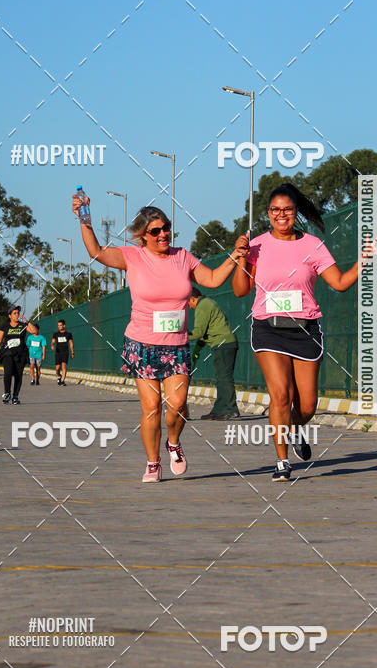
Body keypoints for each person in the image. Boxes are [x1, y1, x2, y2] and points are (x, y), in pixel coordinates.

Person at [72, 195, 247, 482]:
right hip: (141, 344)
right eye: (155, 231)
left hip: (176, 346)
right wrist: (84, 219)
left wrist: (235, 256)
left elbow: (213, 279)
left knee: (177, 405)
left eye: (166, 227)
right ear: (142, 236)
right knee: (151, 408)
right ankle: (153, 463)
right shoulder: (133, 257)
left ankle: (174, 443)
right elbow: (96, 252)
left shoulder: (183, 257)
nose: (163, 234)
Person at [232, 182, 377, 482]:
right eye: (275, 210)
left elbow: (338, 282)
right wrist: (240, 259)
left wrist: (363, 262)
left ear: (296, 211)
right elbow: (240, 290)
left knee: (307, 404)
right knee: (281, 395)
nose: (281, 214)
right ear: (268, 213)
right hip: (268, 328)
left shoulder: (312, 245)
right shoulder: (256, 245)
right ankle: (282, 461)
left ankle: (295, 428)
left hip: (306, 328)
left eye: (286, 209)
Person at [188, 287, 239, 420]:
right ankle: (219, 410)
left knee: (224, 377)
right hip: (221, 343)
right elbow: (204, 334)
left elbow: (199, 332)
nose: (190, 307)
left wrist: (181, 336)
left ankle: (231, 409)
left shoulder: (203, 306)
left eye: (189, 303)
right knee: (220, 377)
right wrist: (196, 351)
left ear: (192, 298)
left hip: (223, 343)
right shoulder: (207, 303)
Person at [0, 307, 36, 404]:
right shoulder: (5, 326)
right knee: (8, 373)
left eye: (18, 313)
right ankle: (7, 394)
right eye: (14, 313)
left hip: (20, 354)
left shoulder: (23, 325)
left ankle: (15, 396)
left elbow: (34, 331)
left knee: (18, 375)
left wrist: (27, 322)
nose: (17, 315)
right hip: (7, 354)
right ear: (9, 316)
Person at [51, 319, 74, 385]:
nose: (59, 326)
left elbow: (71, 343)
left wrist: (72, 352)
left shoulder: (68, 334)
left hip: (65, 352)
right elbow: (52, 341)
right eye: (58, 325)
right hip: (58, 352)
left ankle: (63, 381)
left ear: (64, 325)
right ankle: (59, 376)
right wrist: (52, 345)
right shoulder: (56, 334)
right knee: (57, 368)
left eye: (60, 325)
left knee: (64, 366)